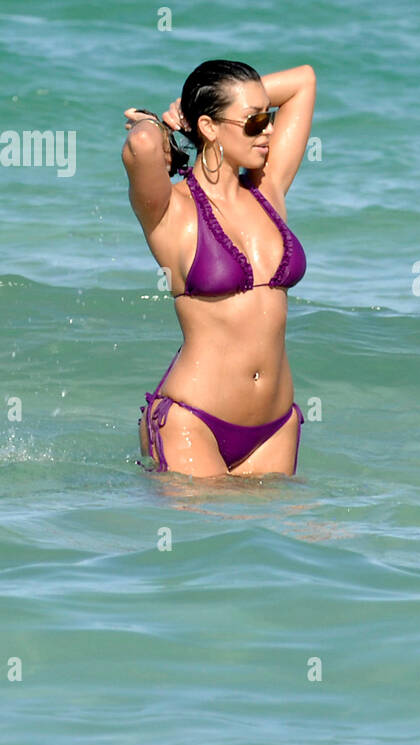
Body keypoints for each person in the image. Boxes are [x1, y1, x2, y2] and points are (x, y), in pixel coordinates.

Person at [122, 59, 314, 477]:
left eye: (269, 117)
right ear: (209, 128)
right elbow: (141, 147)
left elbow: (303, 81)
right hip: (192, 421)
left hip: (276, 427)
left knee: (286, 542)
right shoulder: (172, 212)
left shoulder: (269, 187)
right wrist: (164, 124)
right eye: (253, 121)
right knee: (200, 541)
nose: (267, 130)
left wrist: (208, 106)